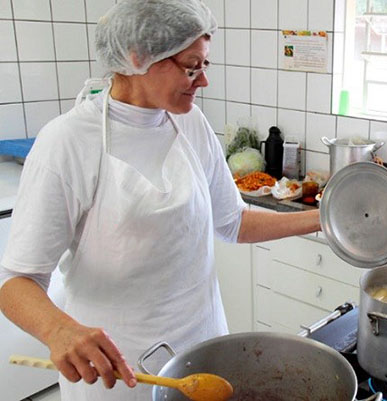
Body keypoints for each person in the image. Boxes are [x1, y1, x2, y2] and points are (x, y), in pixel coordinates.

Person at [0, 1, 320, 400]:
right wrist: (57, 329)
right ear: (138, 57)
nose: (202, 81)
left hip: (201, 351)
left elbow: (233, 222)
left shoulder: (190, 122)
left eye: (205, 65)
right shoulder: (67, 142)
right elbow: (16, 282)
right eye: (191, 66)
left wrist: (325, 219)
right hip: (117, 371)